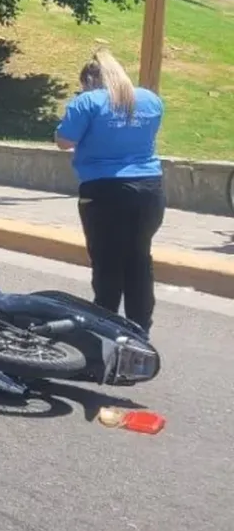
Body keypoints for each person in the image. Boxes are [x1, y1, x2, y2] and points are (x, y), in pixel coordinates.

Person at [54, 48, 165, 333]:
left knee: (107, 261)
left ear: (88, 81)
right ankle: (140, 329)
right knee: (139, 258)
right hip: (150, 189)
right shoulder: (150, 100)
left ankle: (105, 328)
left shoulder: (87, 102)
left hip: (105, 192)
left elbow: (64, 141)